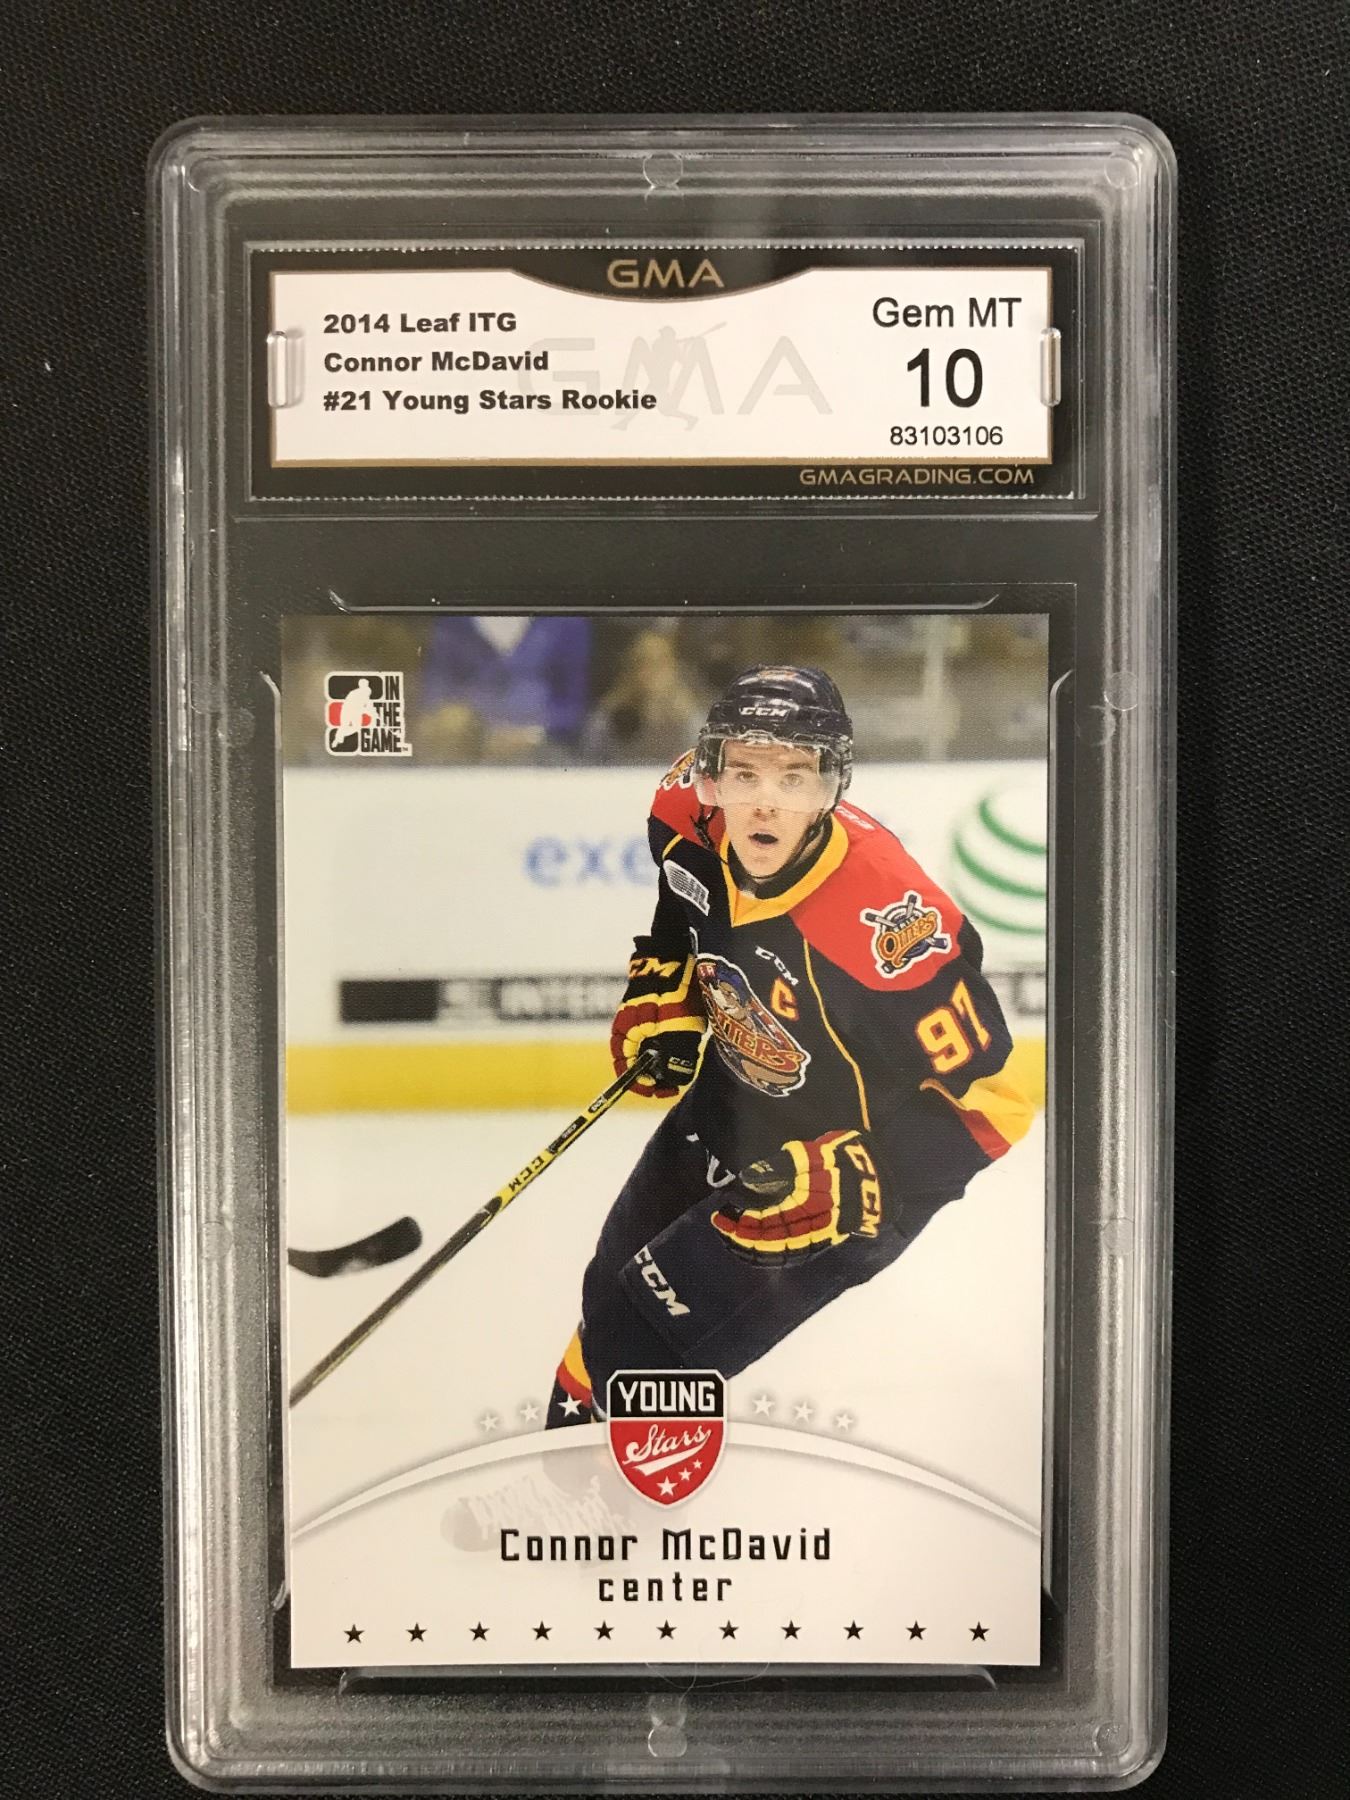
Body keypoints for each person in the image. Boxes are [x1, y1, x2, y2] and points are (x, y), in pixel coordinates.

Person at [548, 664, 1036, 1423]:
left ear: (831, 786)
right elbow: (681, 913)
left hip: (848, 1177)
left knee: (649, 1347)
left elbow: (996, 1106)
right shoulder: (683, 814)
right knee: (608, 1298)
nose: (764, 801)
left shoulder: (887, 929)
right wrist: (667, 990)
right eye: (743, 773)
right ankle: (569, 1474)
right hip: (730, 1102)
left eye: (793, 777)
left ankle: (613, 1482)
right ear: (711, 773)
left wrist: (863, 1174)